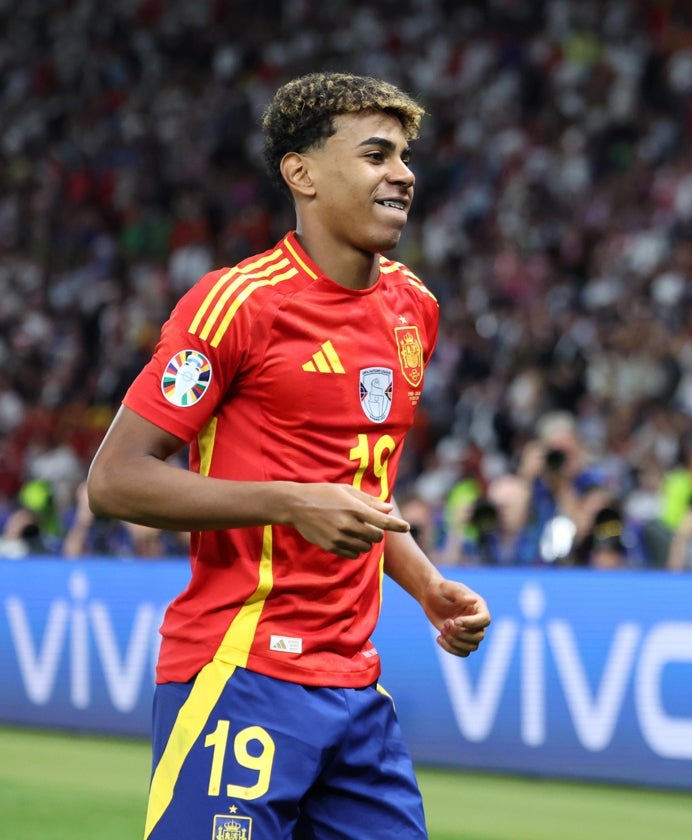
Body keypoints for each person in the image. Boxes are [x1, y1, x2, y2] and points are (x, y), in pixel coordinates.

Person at [86, 72, 491, 840]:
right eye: (376, 154)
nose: (403, 174)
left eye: (405, 155)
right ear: (301, 173)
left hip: (356, 693)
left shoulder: (415, 307)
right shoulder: (237, 302)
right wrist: (288, 500)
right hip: (241, 673)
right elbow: (114, 481)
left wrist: (429, 585)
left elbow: (360, 491)